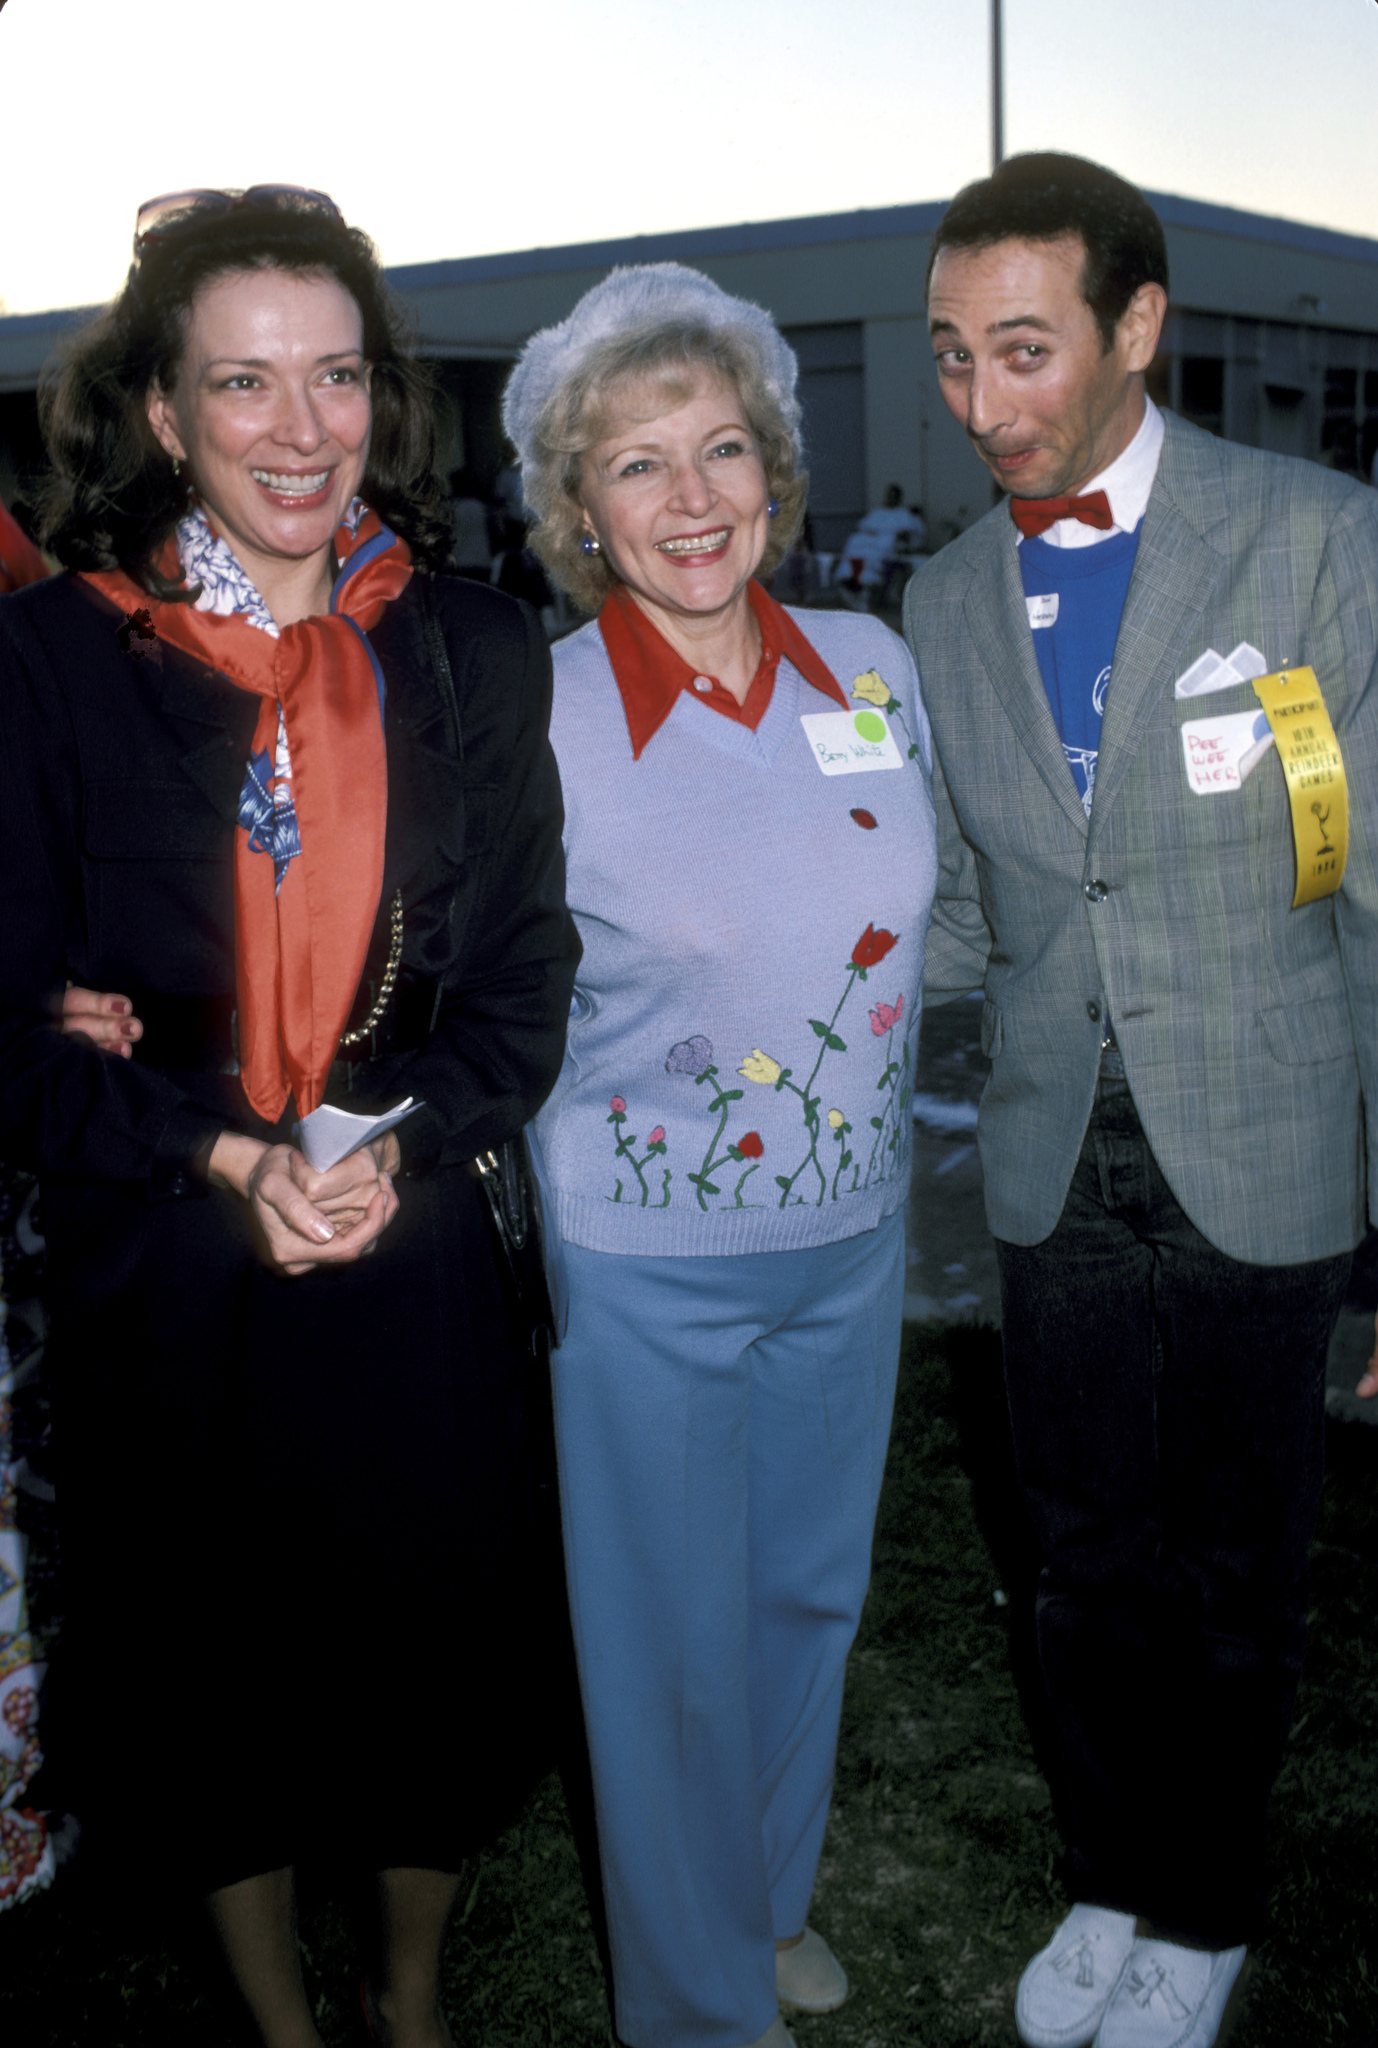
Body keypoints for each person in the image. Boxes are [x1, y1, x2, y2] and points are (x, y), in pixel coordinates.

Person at [0, 187, 577, 2048]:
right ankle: (282, 2025)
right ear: (162, 412)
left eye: (335, 377)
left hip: (407, 1241)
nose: (300, 430)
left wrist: (392, 1153)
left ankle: (406, 2000)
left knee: (429, 1661)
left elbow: (520, 987)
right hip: (165, 1245)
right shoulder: (53, 664)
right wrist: (216, 1148)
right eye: (241, 383)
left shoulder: (473, 651)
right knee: (203, 1684)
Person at [904, 152, 1378, 2048]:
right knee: (1083, 1555)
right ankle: (1111, 1876)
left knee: (1234, 1565)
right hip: (1045, 1152)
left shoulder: (1313, 538)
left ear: (1136, 329)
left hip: (1265, 1131)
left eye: (1022, 349)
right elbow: (958, 907)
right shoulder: (942, 597)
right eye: (947, 357)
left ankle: (1202, 1906)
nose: (982, 402)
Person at [502, 262, 939, 2048]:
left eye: (723, 449)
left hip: (851, 1238)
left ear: (775, 468)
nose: (692, 500)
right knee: (665, 1655)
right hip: (641, 1264)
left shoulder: (873, 663)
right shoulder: (535, 716)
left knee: (805, 1599)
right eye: (636, 465)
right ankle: (689, 2009)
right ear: (574, 508)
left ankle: (762, 1907)